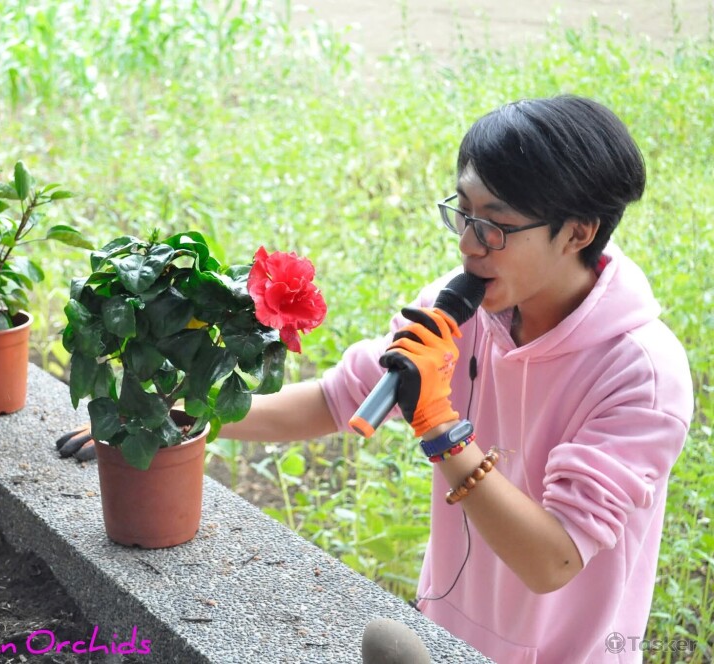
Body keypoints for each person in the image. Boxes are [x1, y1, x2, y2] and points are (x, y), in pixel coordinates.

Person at [58, 95, 694, 663]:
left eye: (494, 225)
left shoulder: (640, 373)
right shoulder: (463, 309)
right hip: (444, 631)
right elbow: (335, 401)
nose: (469, 245)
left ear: (577, 232)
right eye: (462, 213)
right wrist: (177, 413)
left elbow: (553, 560)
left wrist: (441, 426)